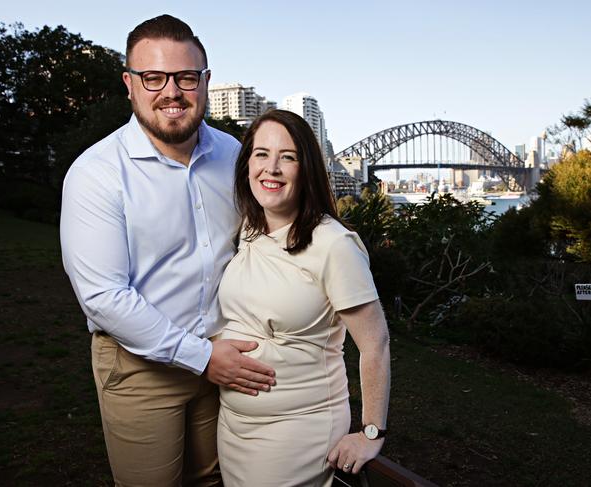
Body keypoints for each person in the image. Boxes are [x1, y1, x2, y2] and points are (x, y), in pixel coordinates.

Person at [60, 15, 275, 487]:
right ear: (130, 84)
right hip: (141, 368)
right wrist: (199, 355)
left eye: (185, 77)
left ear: (205, 82)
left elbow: (262, 242)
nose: (171, 91)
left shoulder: (235, 155)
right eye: (153, 77)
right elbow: (103, 296)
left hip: (224, 355)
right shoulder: (95, 173)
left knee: (213, 480)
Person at [217, 109, 391, 486]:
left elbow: (375, 342)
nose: (272, 168)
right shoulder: (249, 227)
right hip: (233, 427)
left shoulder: (333, 245)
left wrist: (371, 432)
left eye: (288, 157)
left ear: (306, 168)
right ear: (247, 164)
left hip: (296, 431)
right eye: (261, 154)